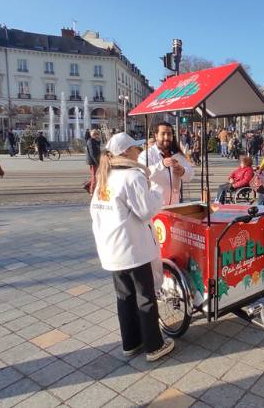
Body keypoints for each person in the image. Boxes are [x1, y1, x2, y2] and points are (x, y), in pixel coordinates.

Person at [90, 132, 174, 361]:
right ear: (126, 152)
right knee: (145, 296)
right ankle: (154, 346)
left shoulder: (104, 176)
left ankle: (131, 342)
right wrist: (156, 192)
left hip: (112, 249)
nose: (139, 152)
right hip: (132, 249)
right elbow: (146, 211)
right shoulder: (131, 176)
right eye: (135, 149)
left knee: (124, 297)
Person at [139, 122, 194, 205]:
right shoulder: (146, 155)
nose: (166, 137)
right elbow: (143, 175)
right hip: (155, 207)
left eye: (169, 134)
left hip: (175, 205)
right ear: (156, 135)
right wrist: (162, 165)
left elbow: (190, 176)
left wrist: (183, 172)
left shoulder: (178, 155)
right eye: (163, 134)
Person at [86, 129, 102, 195]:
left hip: (96, 161)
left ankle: (88, 185)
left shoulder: (95, 141)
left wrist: (98, 141)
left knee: (97, 176)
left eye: (98, 134)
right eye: (96, 134)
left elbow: (98, 150)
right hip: (93, 162)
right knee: (95, 177)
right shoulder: (90, 141)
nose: (97, 136)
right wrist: (97, 162)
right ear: (93, 135)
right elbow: (92, 153)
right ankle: (92, 191)